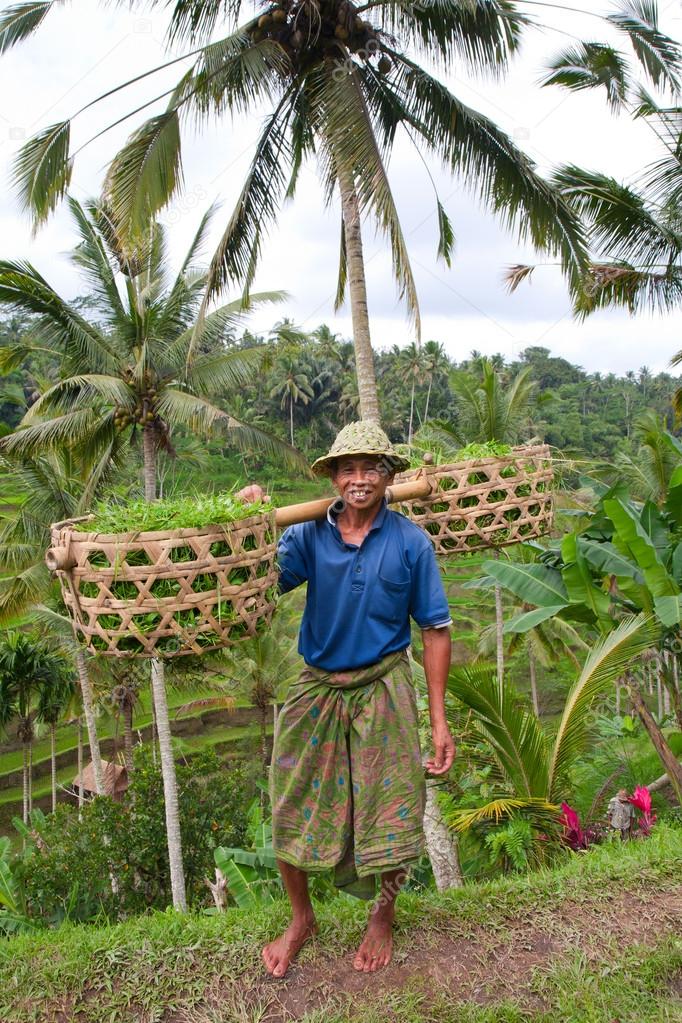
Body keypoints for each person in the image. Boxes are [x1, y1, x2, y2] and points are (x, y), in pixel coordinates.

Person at [238, 421, 455, 978]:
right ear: (333, 477)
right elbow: (254, 581)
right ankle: (301, 917)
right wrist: (247, 522)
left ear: (388, 476)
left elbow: (434, 630)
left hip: (384, 682)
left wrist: (438, 722)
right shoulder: (309, 536)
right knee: (289, 799)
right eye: (348, 468)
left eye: (371, 468)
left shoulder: (410, 543)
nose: (360, 479)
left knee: (393, 804)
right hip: (318, 684)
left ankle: (383, 915)